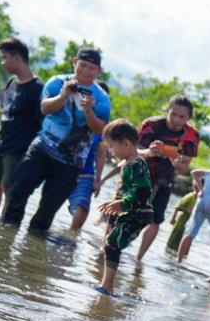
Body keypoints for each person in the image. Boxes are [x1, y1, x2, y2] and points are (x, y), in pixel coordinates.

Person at [2, 47, 111, 231]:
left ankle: (31, 249)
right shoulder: (57, 82)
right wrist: (63, 95)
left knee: (47, 212)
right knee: (17, 193)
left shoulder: (102, 98)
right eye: (83, 65)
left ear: (98, 71)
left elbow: (101, 130)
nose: (86, 71)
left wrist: (88, 111)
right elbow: (44, 109)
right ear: (75, 62)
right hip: (42, 149)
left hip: (71, 162)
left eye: (92, 68)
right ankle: (4, 237)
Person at [132, 95, 201, 260]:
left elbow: (184, 166)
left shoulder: (192, 136)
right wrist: (149, 152)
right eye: (173, 114)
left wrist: (178, 164)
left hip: (165, 180)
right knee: (124, 211)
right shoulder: (151, 125)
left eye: (182, 117)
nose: (176, 119)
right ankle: (107, 249)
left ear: (189, 118)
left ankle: (138, 259)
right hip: (139, 174)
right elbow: (135, 153)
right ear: (167, 110)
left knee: (155, 220)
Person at [0, 37, 41, 214]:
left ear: (17, 58)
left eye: (5, 57)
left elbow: (40, 124)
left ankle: (5, 229)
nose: (3, 62)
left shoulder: (37, 88)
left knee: (9, 188)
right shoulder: (11, 83)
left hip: (18, 149)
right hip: (0, 144)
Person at [95, 120, 153, 295]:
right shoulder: (128, 163)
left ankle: (108, 286)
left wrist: (122, 203)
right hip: (131, 211)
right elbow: (125, 189)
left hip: (139, 213)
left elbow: (142, 191)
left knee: (112, 244)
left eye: (112, 146)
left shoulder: (136, 164)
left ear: (127, 144)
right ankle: (105, 283)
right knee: (110, 243)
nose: (111, 151)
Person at [67, 132, 106, 231]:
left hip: (85, 174)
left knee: (82, 208)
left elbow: (101, 154)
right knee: (47, 210)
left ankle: (70, 240)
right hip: (61, 167)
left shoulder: (101, 120)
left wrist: (98, 179)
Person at [163, 189, 197, 256]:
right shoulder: (190, 197)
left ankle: (181, 258)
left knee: (185, 245)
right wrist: (173, 218)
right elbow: (178, 207)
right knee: (173, 243)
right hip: (181, 223)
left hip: (190, 226)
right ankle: (168, 256)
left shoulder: (200, 199)